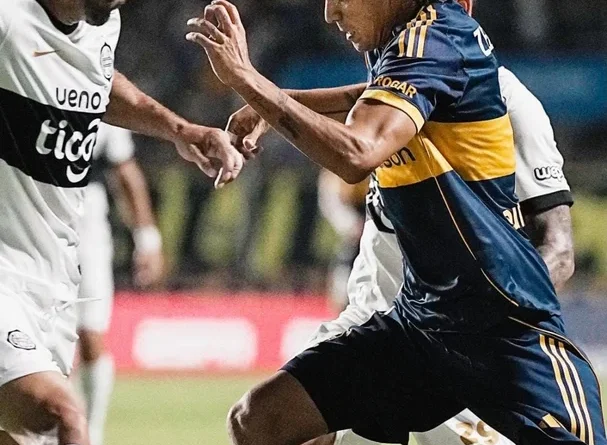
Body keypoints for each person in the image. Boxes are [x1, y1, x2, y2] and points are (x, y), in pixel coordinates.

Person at [187, 2, 607, 445]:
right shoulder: (398, 53)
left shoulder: (440, 42)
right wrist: (273, 103)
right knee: (260, 419)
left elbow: (356, 153)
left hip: (498, 326)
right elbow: (367, 97)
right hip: (418, 319)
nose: (330, 13)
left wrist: (248, 80)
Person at [0, 1, 244, 444]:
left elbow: (97, 79)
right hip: (4, 278)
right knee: (64, 418)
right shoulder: (9, 16)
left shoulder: (102, 26)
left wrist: (180, 129)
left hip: (52, 282)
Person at [77, 123, 163, 445]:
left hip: (87, 225)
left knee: (91, 333)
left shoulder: (101, 101)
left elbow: (124, 168)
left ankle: (92, 432)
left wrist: (147, 238)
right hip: (25, 218)